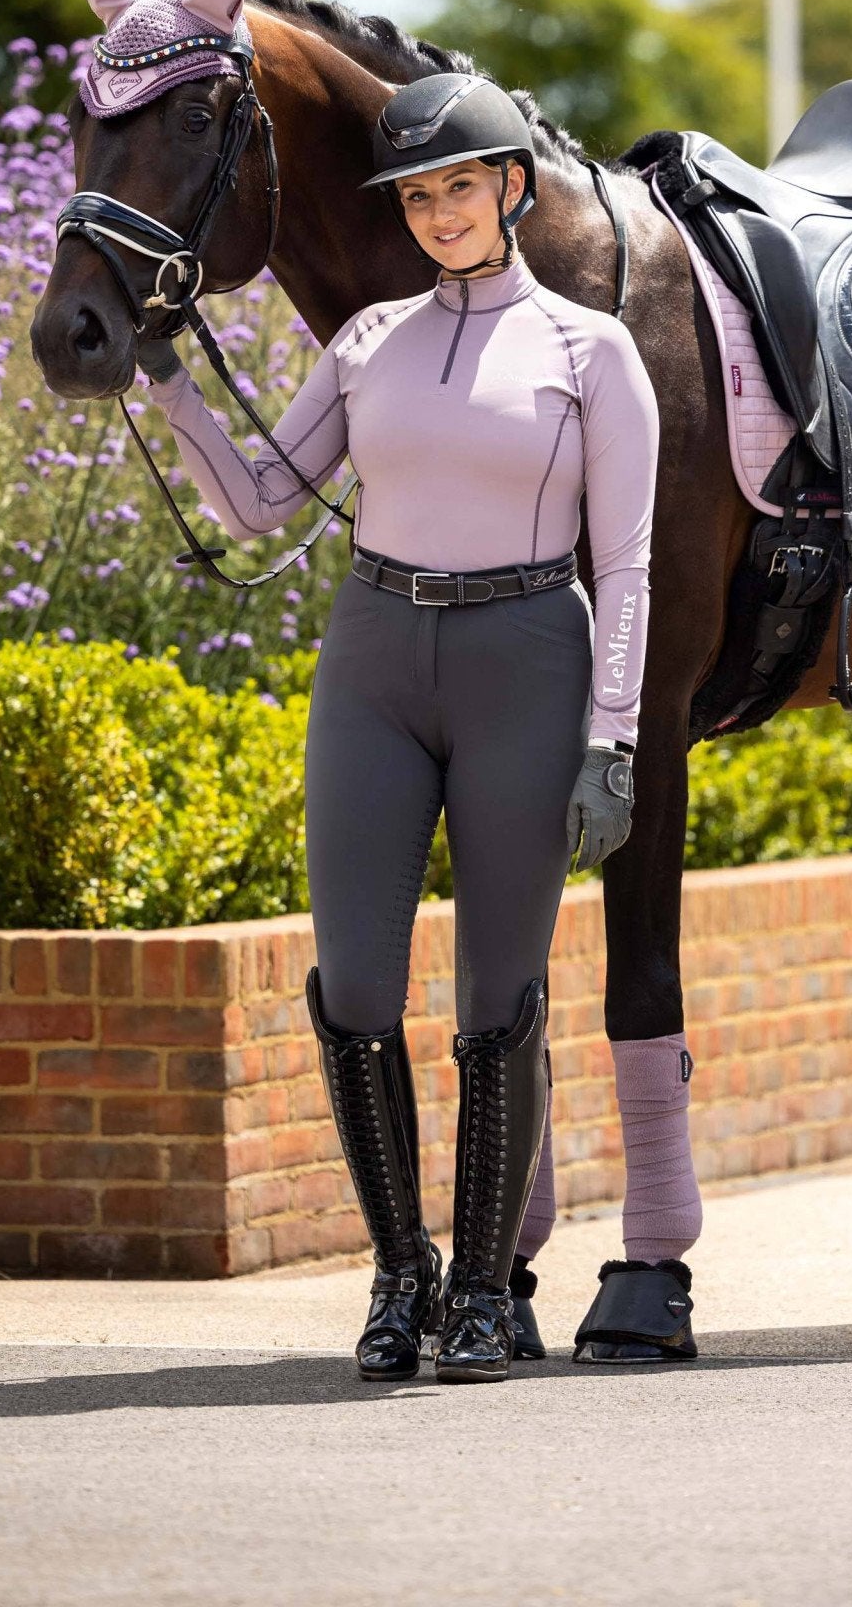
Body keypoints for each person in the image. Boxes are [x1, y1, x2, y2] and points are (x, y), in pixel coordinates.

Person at [139, 69, 660, 1386]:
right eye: (417, 196)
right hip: (373, 658)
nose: (438, 213)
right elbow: (262, 500)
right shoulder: (368, 339)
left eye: (459, 187)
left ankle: (483, 1291)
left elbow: (629, 564)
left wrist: (613, 738)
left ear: (512, 189)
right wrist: (171, 384)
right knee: (356, 987)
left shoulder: (590, 352)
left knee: (499, 996)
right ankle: (399, 1274)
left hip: (526, 657)